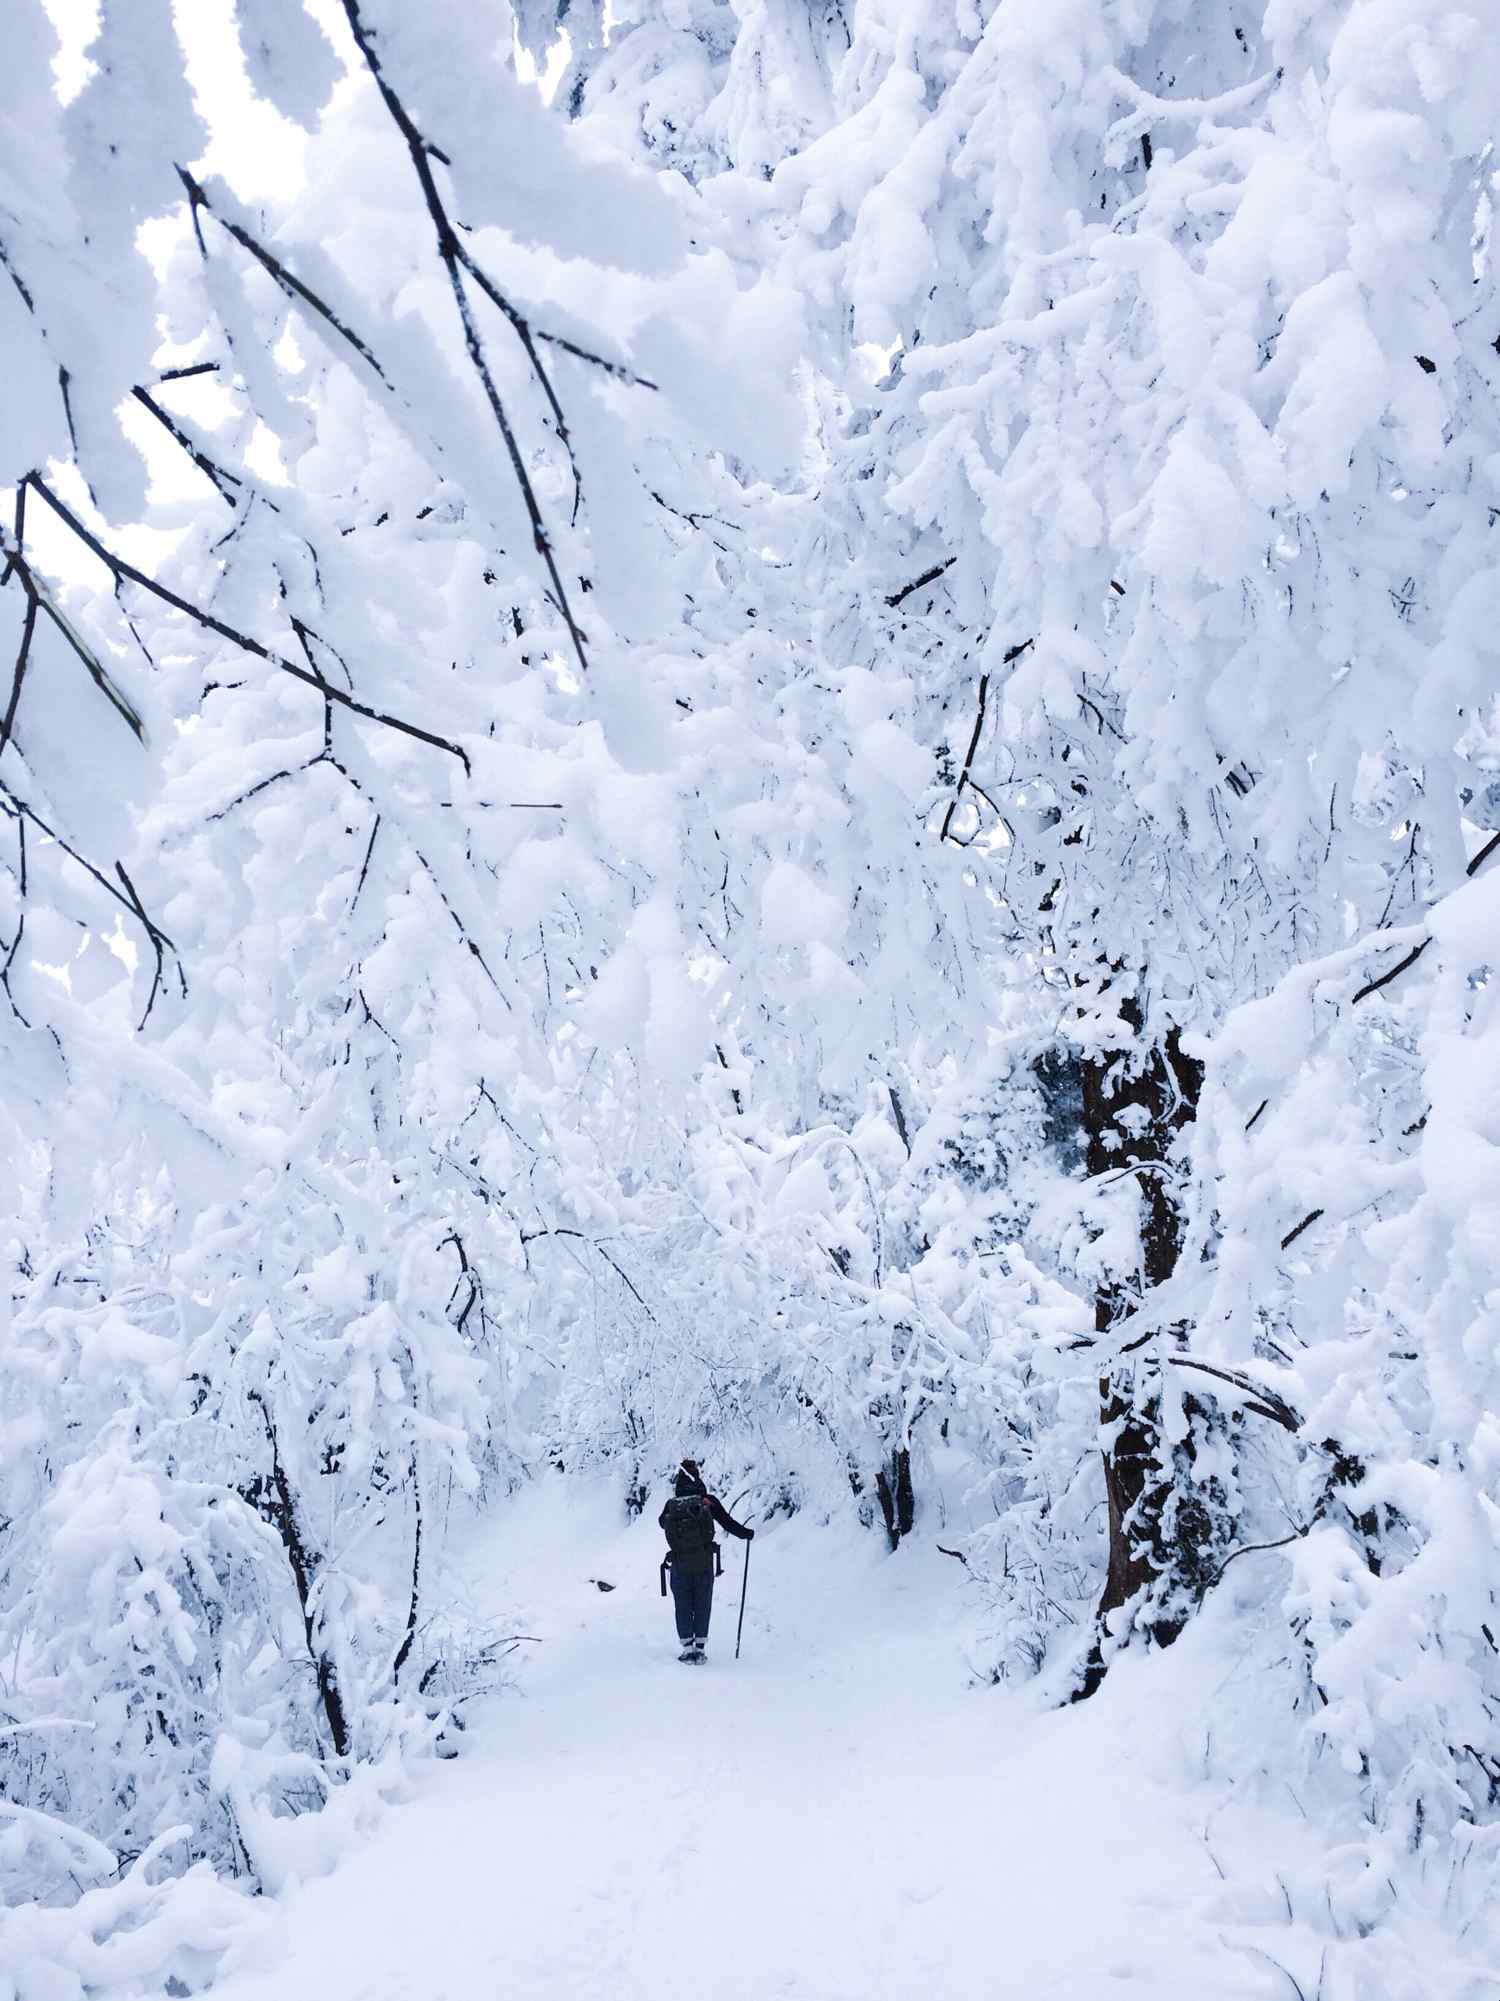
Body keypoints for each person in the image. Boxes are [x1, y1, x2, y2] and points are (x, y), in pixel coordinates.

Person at [658, 1460, 753, 1664]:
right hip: (704, 1562)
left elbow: (661, 1523)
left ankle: (687, 1648)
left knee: (683, 1605)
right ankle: (700, 1649)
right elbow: (727, 1522)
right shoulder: (707, 1500)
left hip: (680, 1563)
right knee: (702, 1603)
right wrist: (746, 1534)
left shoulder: (672, 1504)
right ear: (698, 1476)